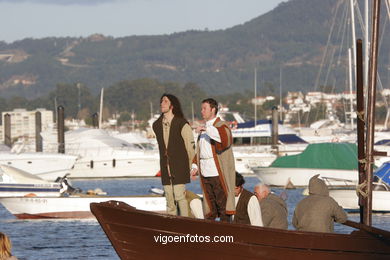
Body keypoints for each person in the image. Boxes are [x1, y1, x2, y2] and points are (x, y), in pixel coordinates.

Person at [191, 98, 236, 221]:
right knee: (210, 206)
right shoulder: (204, 129)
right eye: (202, 109)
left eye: (204, 108)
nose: (202, 111)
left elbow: (225, 140)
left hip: (217, 171)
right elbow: (200, 150)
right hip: (205, 171)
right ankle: (211, 233)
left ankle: (225, 233)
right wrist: (195, 166)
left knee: (223, 205)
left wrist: (206, 129)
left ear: (213, 109)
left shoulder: (221, 125)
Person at [152, 94, 195, 217]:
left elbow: (190, 147)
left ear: (172, 105)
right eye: (161, 101)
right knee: (169, 198)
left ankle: (185, 221)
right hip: (165, 167)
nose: (162, 103)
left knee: (179, 196)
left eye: (165, 101)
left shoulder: (182, 124)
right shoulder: (156, 125)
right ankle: (171, 223)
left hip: (180, 166)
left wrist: (193, 165)